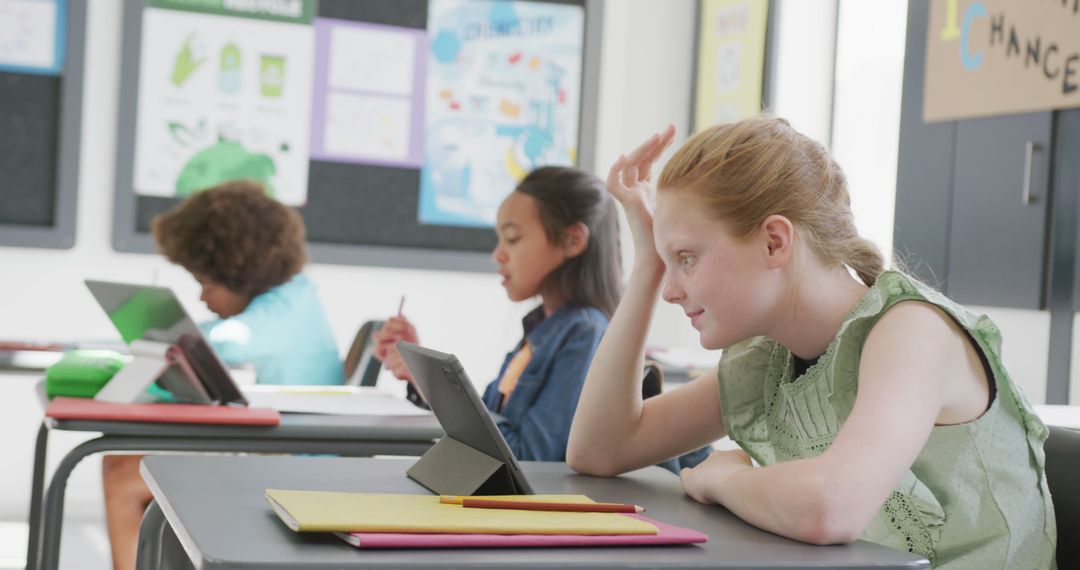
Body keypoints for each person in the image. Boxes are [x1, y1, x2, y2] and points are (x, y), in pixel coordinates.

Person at [567, 116, 1057, 568]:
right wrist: (648, 266)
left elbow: (831, 507)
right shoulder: (767, 358)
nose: (672, 291)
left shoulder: (912, 332)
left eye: (687, 258)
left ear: (775, 242)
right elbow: (599, 449)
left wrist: (724, 478)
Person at [102, 180, 343, 570]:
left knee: (123, 475)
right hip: (283, 447)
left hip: (298, 466)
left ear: (239, 270)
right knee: (126, 465)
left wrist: (155, 333)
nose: (202, 298)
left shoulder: (281, 313)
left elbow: (224, 342)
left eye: (206, 283)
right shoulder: (295, 295)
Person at [374, 166, 624, 463]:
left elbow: (528, 458)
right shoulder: (542, 327)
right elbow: (489, 423)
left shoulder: (585, 332)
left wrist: (435, 389)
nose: (498, 255)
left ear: (572, 241)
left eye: (513, 239)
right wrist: (422, 377)